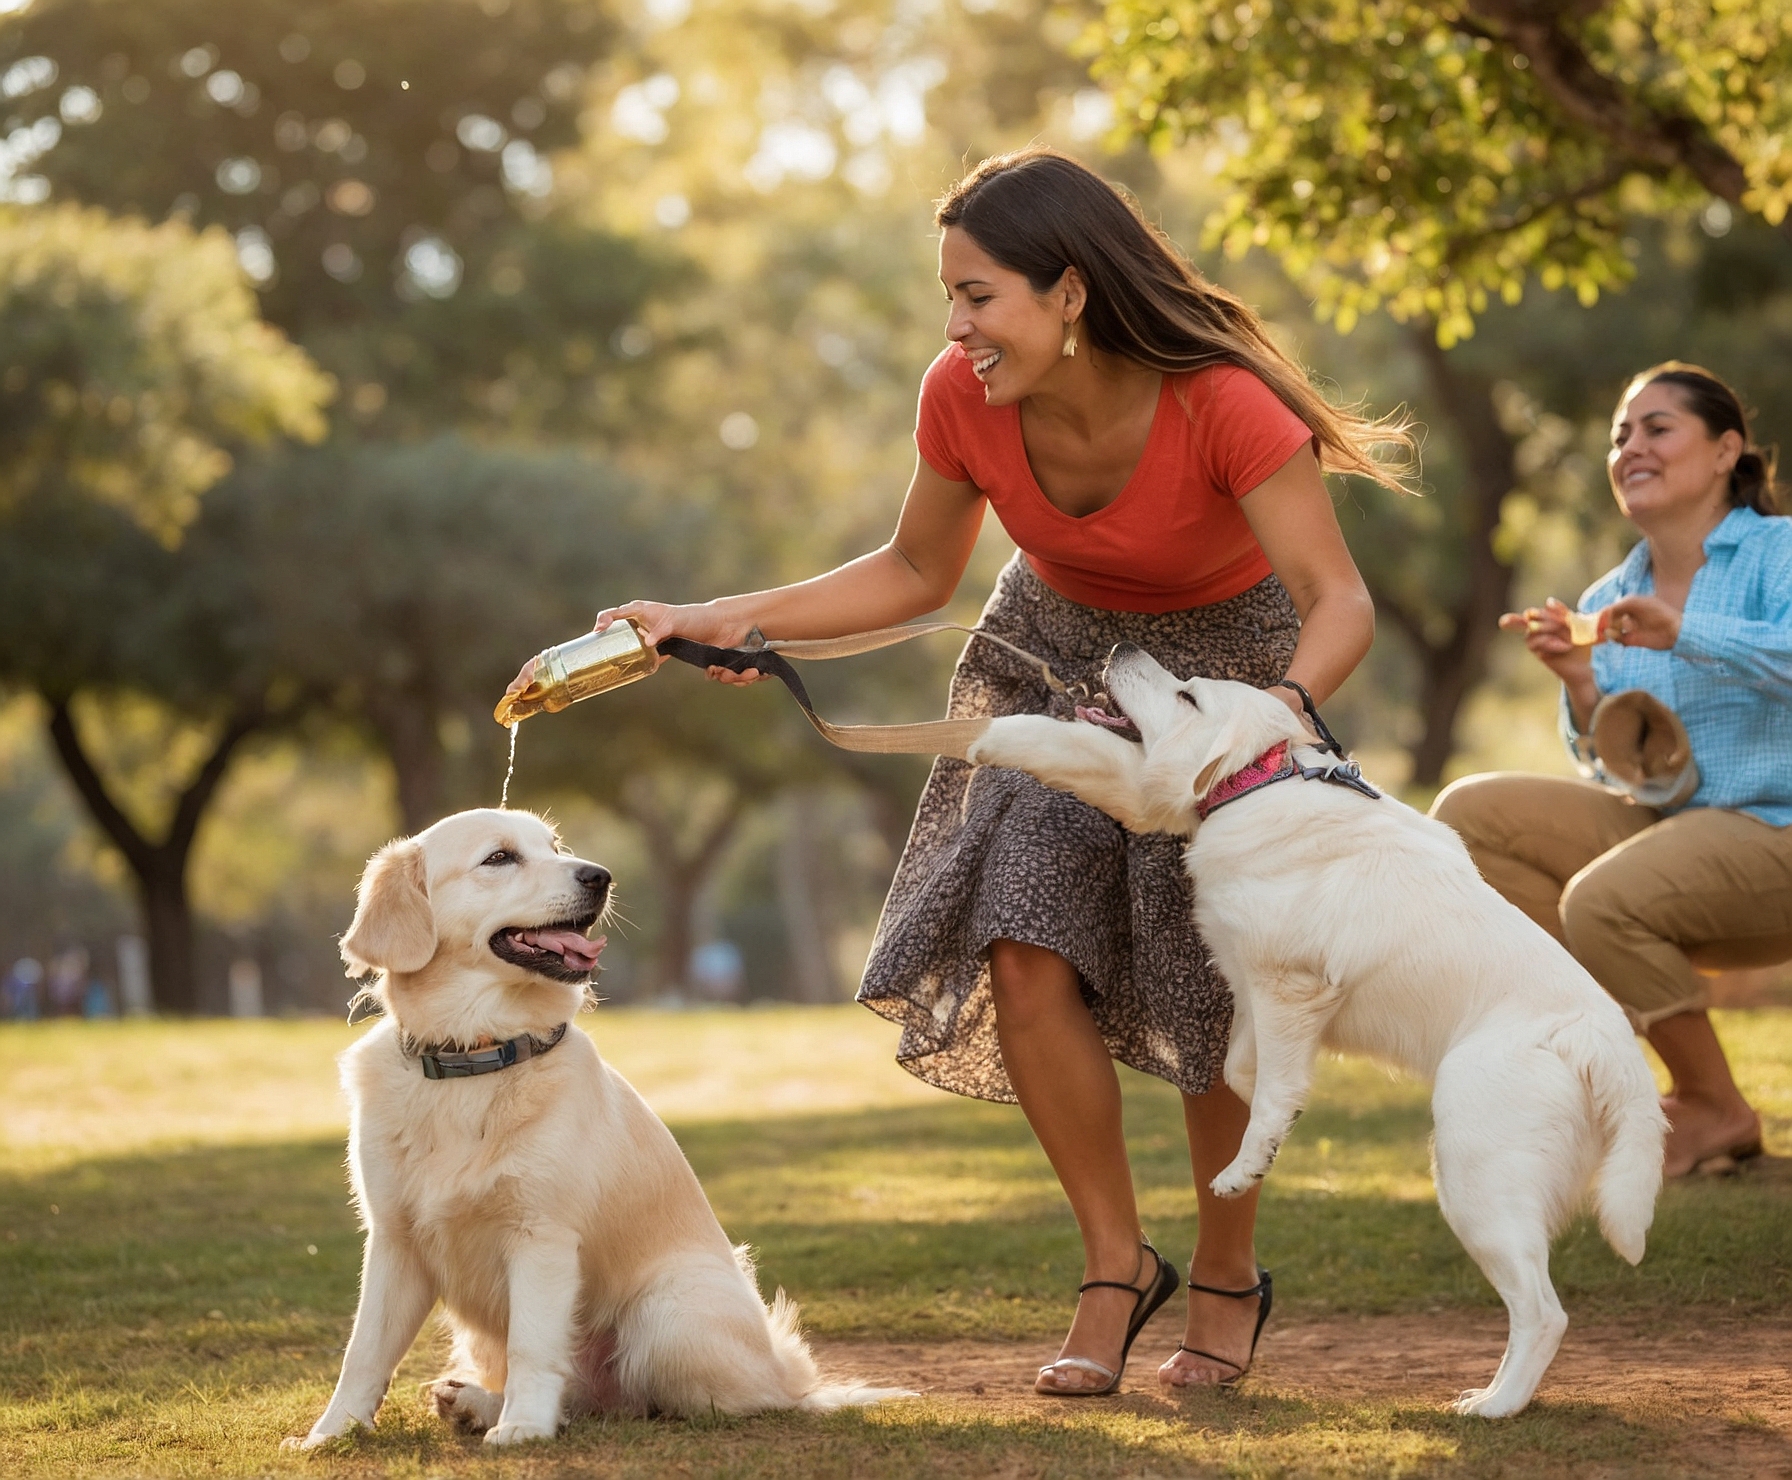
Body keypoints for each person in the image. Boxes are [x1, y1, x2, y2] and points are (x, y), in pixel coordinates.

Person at [526, 148, 1412, 1394]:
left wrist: (1276, 715)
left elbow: (1336, 599)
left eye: (978, 295)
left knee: (1209, 978)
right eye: (949, 295)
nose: (956, 327)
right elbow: (912, 571)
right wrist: (721, 617)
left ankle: (1226, 1271)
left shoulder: (1221, 403)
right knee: (1020, 934)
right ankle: (1114, 1264)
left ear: (1070, 292)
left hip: (1226, 675)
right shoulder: (963, 394)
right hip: (1052, 653)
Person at [1433, 362, 1792, 1178]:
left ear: (1725, 450)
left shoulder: (1779, 552)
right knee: (1465, 821)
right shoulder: (1612, 594)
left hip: (1776, 830)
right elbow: (1628, 764)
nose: (1631, 447)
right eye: (1620, 436)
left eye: (1658, 428)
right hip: (1678, 830)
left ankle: (1713, 1105)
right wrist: (1583, 686)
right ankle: (1611, 1056)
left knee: (1602, 900)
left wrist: (1686, 633)